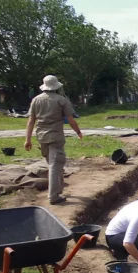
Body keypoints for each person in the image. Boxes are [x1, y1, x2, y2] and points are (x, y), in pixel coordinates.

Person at [24, 75, 83, 205]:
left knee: (54, 163)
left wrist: (27, 140)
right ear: (56, 86)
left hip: (42, 137)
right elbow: (71, 120)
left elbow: (31, 121)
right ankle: (53, 197)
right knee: (55, 166)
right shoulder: (62, 100)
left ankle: (59, 188)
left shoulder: (36, 100)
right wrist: (78, 132)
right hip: (56, 136)